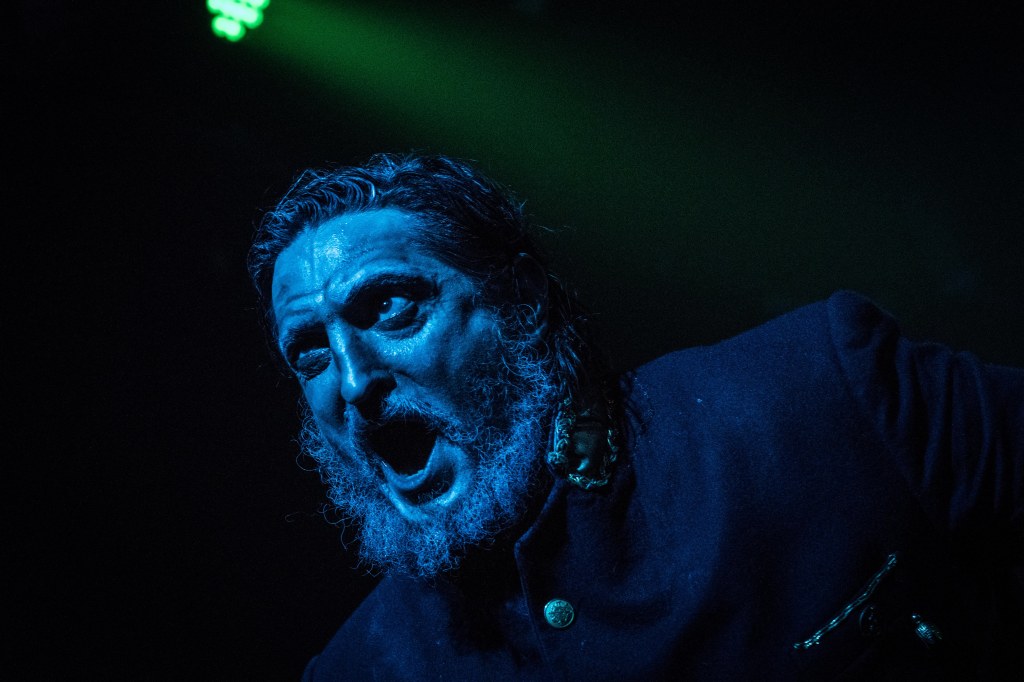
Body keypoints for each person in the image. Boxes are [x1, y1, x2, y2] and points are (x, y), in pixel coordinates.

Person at [248, 152, 1022, 681]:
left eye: (391, 307)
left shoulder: (824, 392)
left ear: (521, 303)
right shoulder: (360, 667)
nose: (353, 380)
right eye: (311, 353)